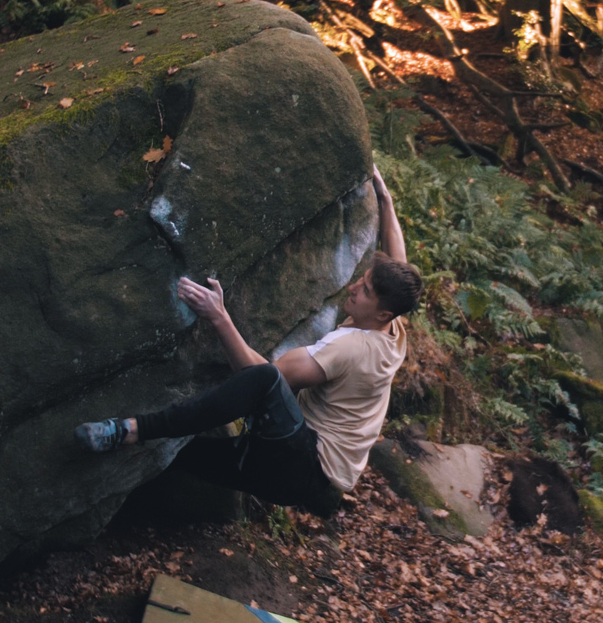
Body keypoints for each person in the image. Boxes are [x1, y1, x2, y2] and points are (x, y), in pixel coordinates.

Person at [75, 167, 419, 517]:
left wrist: (219, 316)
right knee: (174, 455)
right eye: (360, 280)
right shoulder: (391, 330)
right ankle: (99, 482)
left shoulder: (351, 348)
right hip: (299, 475)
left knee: (264, 381)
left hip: (296, 464)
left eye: (364, 291)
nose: (353, 288)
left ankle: (133, 429)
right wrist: (385, 200)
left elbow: (260, 378)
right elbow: (397, 263)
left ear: (381, 313)